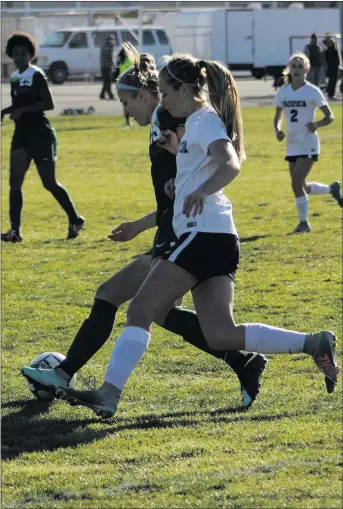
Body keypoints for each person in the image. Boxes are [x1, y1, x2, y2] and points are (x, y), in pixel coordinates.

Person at [35, 52, 337, 418]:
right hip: (220, 238)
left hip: (203, 234)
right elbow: (204, 162)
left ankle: (109, 393)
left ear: (184, 89)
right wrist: (182, 171)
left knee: (142, 309)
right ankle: (312, 343)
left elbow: (230, 162)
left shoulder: (204, 119)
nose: (162, 100)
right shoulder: (193, 123)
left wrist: (199, 190)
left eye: (165, 92)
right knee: (221, 334)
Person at [1, 32, 84, 242]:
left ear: (31, 54)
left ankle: (75, 218)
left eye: (23, 53)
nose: (19, 57)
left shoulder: (36, 74)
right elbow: (19, 105)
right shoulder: (15, 77)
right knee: (14, 183)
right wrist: (6, 111)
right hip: (21, 135)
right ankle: (15, 231)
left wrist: (23, 111)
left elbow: (48, 104)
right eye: (16, 53)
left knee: (49, 183)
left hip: (41, 135)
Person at [273, 52, 342, 233]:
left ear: (307, 70)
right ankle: (331, 189)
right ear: (289, 69)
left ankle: (304, 224)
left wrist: (316, 124)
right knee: (301, 185)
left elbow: (330, 117)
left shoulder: (312, 91)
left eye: (300, 66)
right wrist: (278, 129)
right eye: (293, 66)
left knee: (296, 184)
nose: (296, 70)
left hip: (308, 142)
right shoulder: (284, 92)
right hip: (292, 143)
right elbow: (277, 117)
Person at [113, 45, 135, 125]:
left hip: (120, 85)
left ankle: (127, 121)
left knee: (125, 104)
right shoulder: (129, 61)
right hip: (128, 85)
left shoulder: (119, 61)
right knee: (129, 103)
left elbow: (116, 74)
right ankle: (129, 121)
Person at [100, 35, 115, 100]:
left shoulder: (104, 46)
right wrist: (114, 65)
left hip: (103, 66)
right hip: (107, 66)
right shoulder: (109, 47)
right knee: (108, 82)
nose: (113, 41)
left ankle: (102, 94)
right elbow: (110, 56)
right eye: (112, 40)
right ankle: (110, 95)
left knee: (106, 81)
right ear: (109, 40)